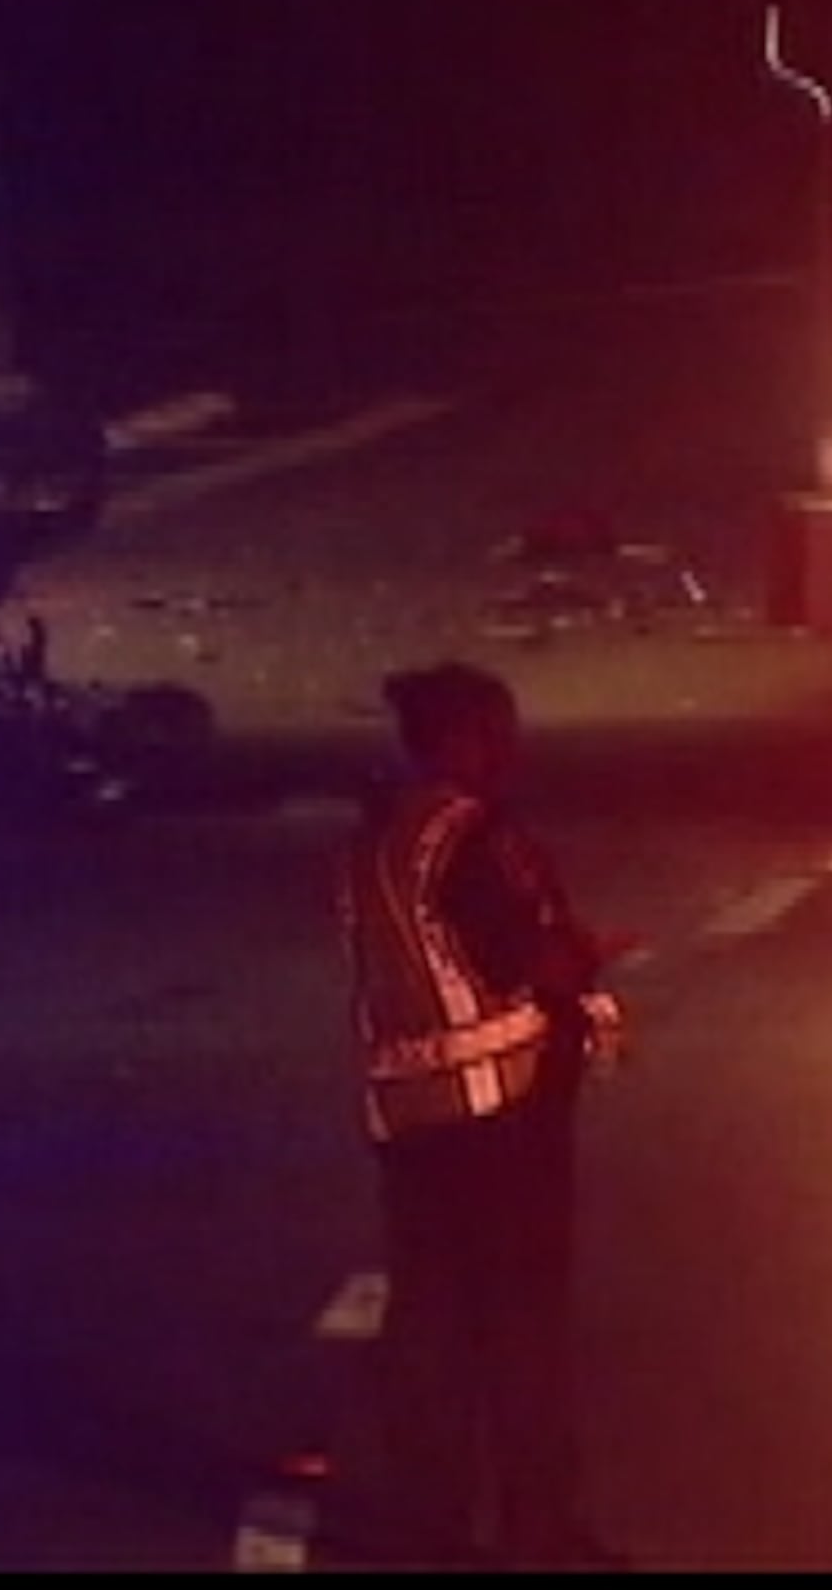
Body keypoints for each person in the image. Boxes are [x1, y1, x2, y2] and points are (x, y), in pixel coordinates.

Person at [340, 659, 629, 1572]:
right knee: (521, 1336)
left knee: (428, 1332)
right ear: (458, 742)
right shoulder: (477, 837)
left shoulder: (377, 843)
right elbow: (530, 962)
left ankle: (426, 1531)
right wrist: (586, 957)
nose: (511, 753)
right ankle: (539, 1533)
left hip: (413, 1124)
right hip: (505, 1121)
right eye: (495, 734)